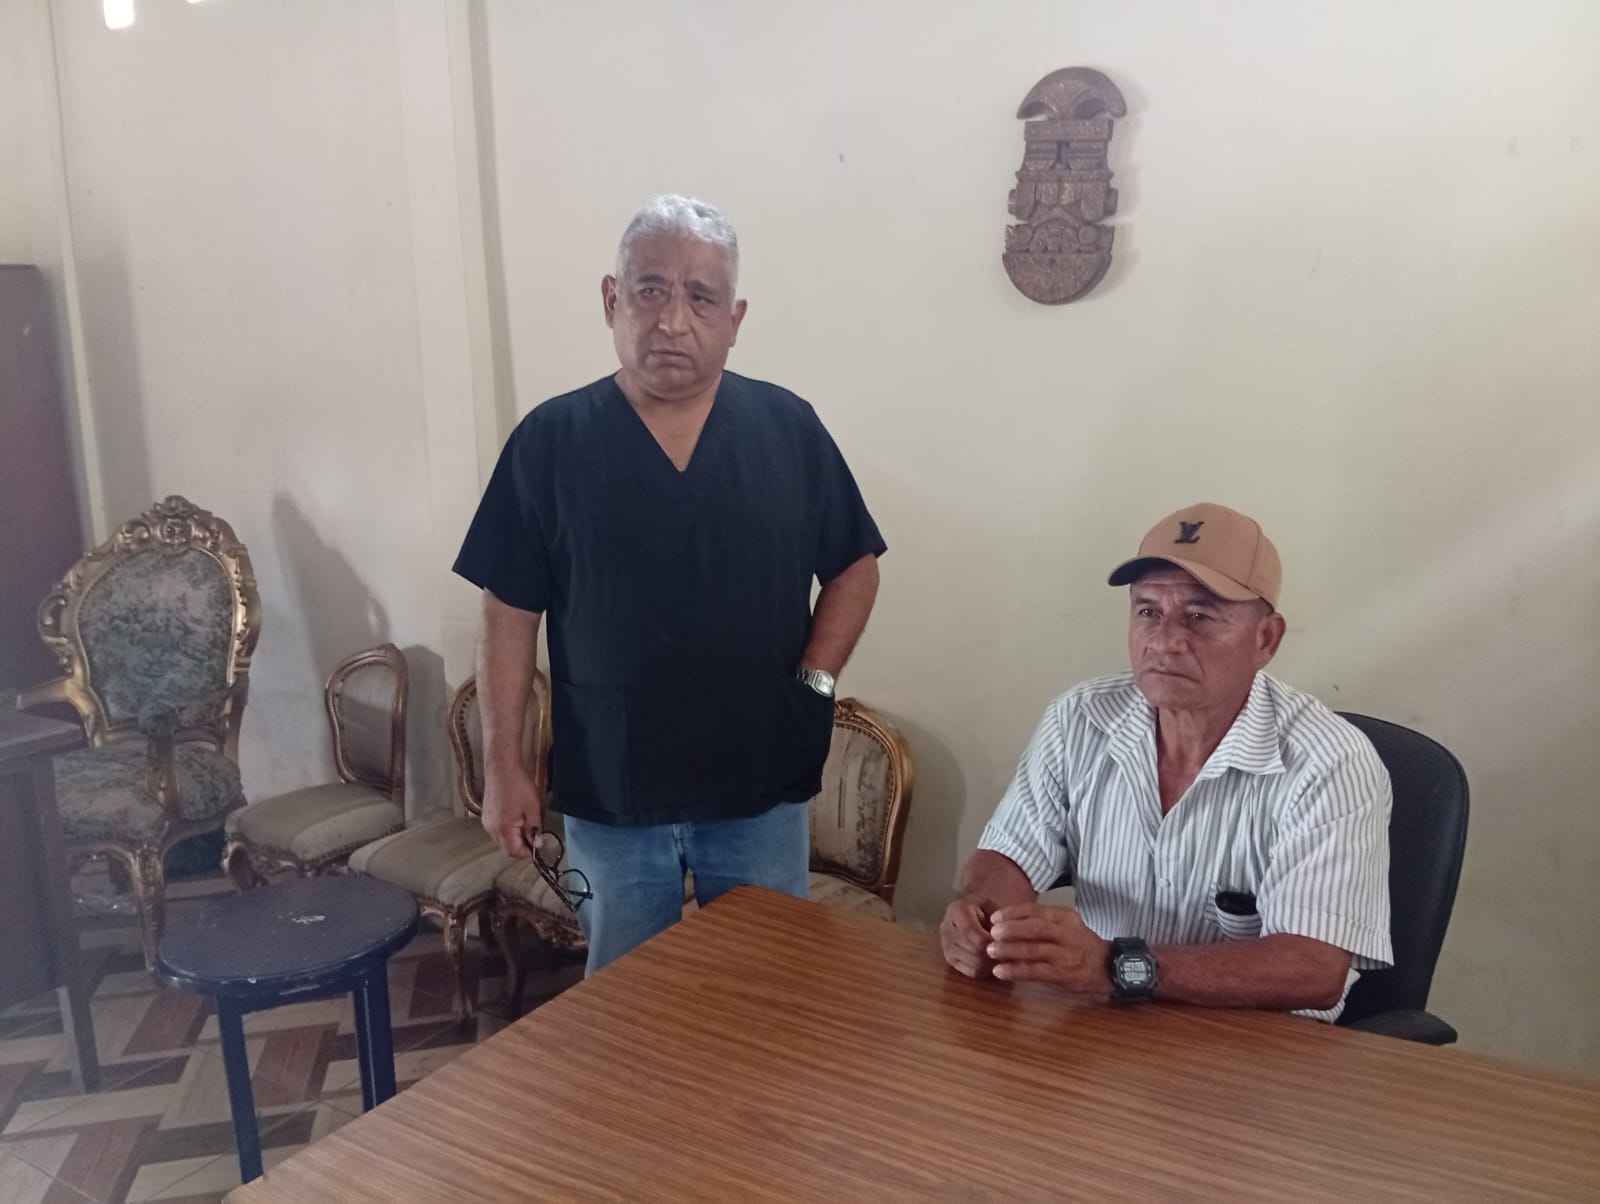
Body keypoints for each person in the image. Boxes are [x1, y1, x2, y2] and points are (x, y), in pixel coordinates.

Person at [454, 195, 885, 974]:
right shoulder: (550, 443)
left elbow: (856, 566)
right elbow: (508, 609)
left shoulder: (788, 431)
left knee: (766, 990)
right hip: (613, 792)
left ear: (735, 318)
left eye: (701, 297)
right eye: (650, 290)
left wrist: (814, 684)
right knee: (626, 1003)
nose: (673, 320)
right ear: (611, 299)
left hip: (759, 784)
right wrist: (504, 765)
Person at [940, 503, 1391, 1020]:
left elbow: (1313, 968)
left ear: (1265, 639)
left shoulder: (1331, 762)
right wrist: (983, 920)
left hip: (1258, 1046)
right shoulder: (1079, 719)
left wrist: (1116, 965)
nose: (1164, 640)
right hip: (1102, 1027)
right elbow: (1011, 854)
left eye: (1199, 616)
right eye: (1148, 611)